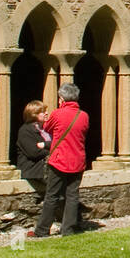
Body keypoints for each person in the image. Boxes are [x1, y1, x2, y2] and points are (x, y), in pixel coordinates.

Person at [32, 82, 91, 238]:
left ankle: (42, 230)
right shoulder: (83, 115)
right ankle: (68, 229)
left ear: (62, 99)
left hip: (59, 160)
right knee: (72, 196)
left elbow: (47, 128)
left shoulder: (57, 114)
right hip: (78, 160)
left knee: (51, 195)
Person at [15, 100, 50, 202]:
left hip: (44, 167)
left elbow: (58, 144)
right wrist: (52, 150)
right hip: (33, 169)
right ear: (33, 114)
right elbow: (33, 152)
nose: (46, 113)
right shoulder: (25, 130)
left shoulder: (44, 130)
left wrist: (45, 145)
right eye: (43, 111)